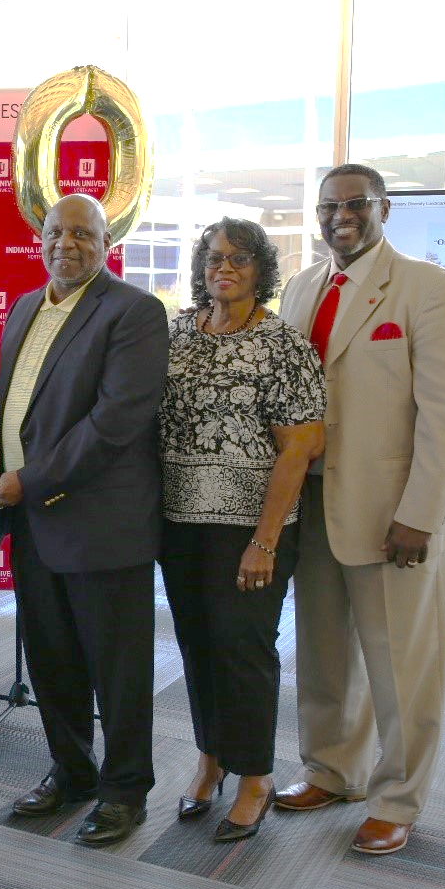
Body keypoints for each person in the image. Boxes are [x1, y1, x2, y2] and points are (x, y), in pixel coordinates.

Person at [276, 164, 445, 854]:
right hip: (312, 505)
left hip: (393, 512)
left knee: (401, 664)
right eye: (329, 204)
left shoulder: (430, 289)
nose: (341, 215)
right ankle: (333, 768)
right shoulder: (303, 288)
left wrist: (420, 510)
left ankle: (398, 796)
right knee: (325, 653)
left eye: (356, 203)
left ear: (384, 207)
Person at [0, 193, 168, 847]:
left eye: (83, 233)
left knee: (117, 670)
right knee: (53, 659)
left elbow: (113, 425)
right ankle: (72, 769)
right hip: (33, 525)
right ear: (41, 237)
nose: (67, 244)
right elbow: (19, 394)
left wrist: (23, 480)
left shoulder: (134, 312)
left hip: (100, 525)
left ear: (107, 239)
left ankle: (125, 790)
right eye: (56, 232)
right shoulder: (27, 306)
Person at [157, 217, 325, 843]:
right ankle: (211, 759)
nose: (223, 268)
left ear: (261, 270)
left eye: (239, 259)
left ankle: (254, 774)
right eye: (213, 258)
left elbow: (302, 445)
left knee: (243, 647)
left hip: (250, 528)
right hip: (179, 522)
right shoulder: (177, 334)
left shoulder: (283, 344)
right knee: (197, 644)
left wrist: (265, 539)